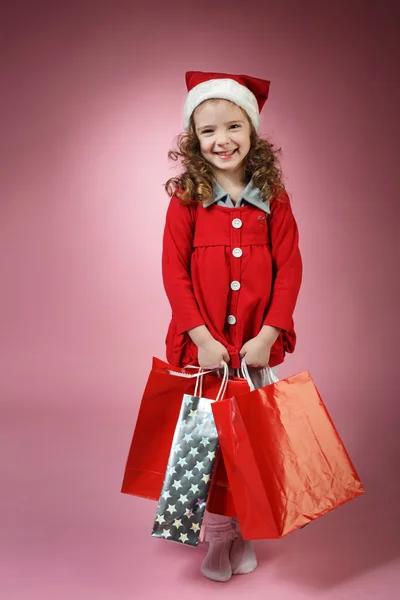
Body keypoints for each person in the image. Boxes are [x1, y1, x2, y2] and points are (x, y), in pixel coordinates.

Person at [161, 71, 303, 582]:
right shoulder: (186, 199)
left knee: (249, 450)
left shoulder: (274, 198)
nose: (221, 140)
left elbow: (290, 268)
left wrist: (268, 334)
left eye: (233, 127)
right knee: (208, 452)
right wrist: (199, 336)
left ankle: (244, 532)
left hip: (253, 353)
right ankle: (218, 540)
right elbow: (173, 272)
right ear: (194, 141)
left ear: (252, 130)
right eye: (207, 131)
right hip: (206, 356)